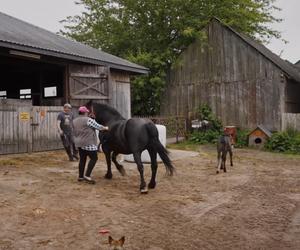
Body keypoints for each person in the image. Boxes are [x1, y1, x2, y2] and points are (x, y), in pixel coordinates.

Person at [73, 106, 109, 184]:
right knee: (94, 158)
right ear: (85, 112)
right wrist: (106, 128)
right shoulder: (88, 120)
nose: (87, 113)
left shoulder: (74, 121)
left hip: (79, 143)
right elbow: (99, 127)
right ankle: (87, 175)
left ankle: (80, 176)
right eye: (87, 112)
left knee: (82, 159)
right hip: (88, 142)